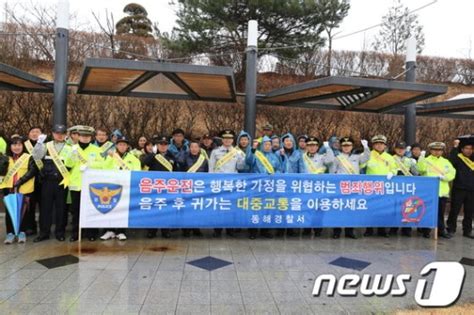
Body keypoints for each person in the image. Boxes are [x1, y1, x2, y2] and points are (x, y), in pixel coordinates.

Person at [32, 124, 72, 242]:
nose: (59, 135)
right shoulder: (46, 145)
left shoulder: (70, 147)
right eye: (57, 133)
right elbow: (36, 156)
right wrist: (39, 143)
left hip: (62, 182)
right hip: (47, 182)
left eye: (62, 133)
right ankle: (44, 233)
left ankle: (60, 232)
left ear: (65, 134)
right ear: (53, 133)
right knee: (45, 208)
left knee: (61, 208)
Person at [65, 126, 105, 242]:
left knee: (91, 209)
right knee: (76, 210)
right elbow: (68, 165)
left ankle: (91, 233)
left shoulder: (97, 150)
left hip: (91, 185)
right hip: (76, 184)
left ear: (90, 137)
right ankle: (76, 233)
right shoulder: (73, 149)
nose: (85, 138)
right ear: (78, 136)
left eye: (87, 136)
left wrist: (90, 166)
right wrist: (72, 156)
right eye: (83, 136)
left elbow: (102, 166)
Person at [100, 136, 141, 241]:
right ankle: (109, 230)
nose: (122, 146)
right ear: (116, 146)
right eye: (120, 144)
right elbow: (104, 170)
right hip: (112, 187)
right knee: (110, 208)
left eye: (124, 144)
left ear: (127, 146)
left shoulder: (133, 159)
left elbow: (137, 172)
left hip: (126, 188)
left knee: (123, 209)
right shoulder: (110, 157)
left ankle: (121, 231)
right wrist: (110, 159)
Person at [1, 135, 38, 244]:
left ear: (23, 146)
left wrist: (20, 181)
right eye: (14, 144)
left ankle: (21, 232)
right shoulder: (6, 158)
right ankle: (10, 233)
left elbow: (32, 171)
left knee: (23, 212)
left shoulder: (28, 157)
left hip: (24, 188)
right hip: (9, 188)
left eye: (19, 145)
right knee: (9, 212)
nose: (16, 147)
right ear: (10, 146)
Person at [209, 130, 246, 237]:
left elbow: (240, 168)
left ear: (232, 140)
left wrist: (241, 160)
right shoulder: (215, 152)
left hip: (232, 184)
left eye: (229, 139)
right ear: (222, 140)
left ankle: (230, 229)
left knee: (231, 207)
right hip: (219, 184)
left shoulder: (238, 152)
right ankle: (217, 230)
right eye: (225, 138)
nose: (227, 140)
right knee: (219, 207)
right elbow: (211, 169)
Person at [332, 137, 370, 239]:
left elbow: (366, 158)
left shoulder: (357, 157)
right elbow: (333, 172)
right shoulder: (337, 158)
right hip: (341, 187)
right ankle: (337, 231)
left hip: (353, 187)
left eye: (348, 145)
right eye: (344, 146)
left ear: (352, 146)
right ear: (341, 147)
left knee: (351, 209)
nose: (346, 147)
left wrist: (366, 147)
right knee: (338, 209)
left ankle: (349, 231)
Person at [417, 142, 456, 239]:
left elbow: (452, 173)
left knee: (440, 213)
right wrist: (421, 158)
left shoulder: (446, 162)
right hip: (428, 192)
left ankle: (441, 230)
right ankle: (426, 230)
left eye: (439, 150)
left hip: (441, 192)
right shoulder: (426, 160)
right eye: (435, 150)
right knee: (427, 211)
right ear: (431, 150)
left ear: (442, 151)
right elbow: (420, 170)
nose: (437, 152)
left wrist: (444, 177)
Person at [142, 135, 178, 239]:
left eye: (165, 144)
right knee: (153, 210)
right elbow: (143, 163)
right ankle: (151, 231)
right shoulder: (152, 156)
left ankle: (165, 230)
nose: (163, 146)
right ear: (157, 145)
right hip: (154, 187)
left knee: (165, 210)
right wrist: (152, 154)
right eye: (160, 144)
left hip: (167, 188)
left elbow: (175, 172)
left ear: (168, 146)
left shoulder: (171, 156)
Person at [246, 136, 281, 239]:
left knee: (267, 207)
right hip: (257, 185)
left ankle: (265, 230)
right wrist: (253, 149)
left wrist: (275, 175)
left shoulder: (274, 156)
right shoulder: (255, 155)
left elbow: (279, 168)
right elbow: (248, 162)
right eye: (265, 144)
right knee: (255, 208)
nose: (267, 146)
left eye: (269, 144)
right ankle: (253, 231)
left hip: (269, 186)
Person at [300, 137, 335, 237]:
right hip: (305, 186)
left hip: (319, 187)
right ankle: (306, 229)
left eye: (314, 145)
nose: (312, 148)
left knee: (319, 209)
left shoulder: (321, 157)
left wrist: (328, 148)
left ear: (317, 147)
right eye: (309, 145)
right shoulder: (302, 157)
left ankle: (318, 229)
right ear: (306, 147)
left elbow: (331, 160)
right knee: (307, 208)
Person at [364, 135, 398, 238]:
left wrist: (392, 173)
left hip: (384, 186)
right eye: (377, 144)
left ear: (385, 145)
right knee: (370, 208)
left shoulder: (389, 157)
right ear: (373, 145)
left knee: (383, 208)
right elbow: (360, 166)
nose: (379, 146)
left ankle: (382, 229)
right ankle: (369, 229)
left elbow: (395, 169)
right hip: (370, 186)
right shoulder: (368, 155)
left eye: (381, 144)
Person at [178, 139, 208, 237]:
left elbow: (207, 173)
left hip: (199, 187)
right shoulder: (185, 157)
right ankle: (186, 229)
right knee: (186, 208)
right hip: (187, 187)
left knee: (197, 208)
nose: (194, 149)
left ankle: (196, 228)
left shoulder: (203, 159)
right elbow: (180, 164)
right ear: (189, 148)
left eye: (196, 147)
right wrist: (183, 152)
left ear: (199, 148)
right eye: (192, 147)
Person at [390, 141, 420, 237]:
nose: (400, 150)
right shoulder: (391, 159)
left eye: (402, 149)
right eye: (398, 148)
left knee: (408, 208)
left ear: (405, 150)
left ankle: (406, 229)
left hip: (407, 187)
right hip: (394, 186)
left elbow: (416, 173)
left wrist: (415, 164)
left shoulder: (409, 160)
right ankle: (393, 228)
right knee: (395, 208)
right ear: (395, 149)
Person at [447, 137, 474, 239]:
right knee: (454, 210)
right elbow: (451, 162)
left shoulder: (472, 159)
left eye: (471, 149)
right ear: (462, 149)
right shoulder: (458, 158)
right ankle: (451, 229)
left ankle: (467, 230)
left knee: (469, 211)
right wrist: (455, 147)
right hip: (459, 188)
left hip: (471, 190)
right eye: (466, 148)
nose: (469, 150)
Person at [278, 133, 302, 237]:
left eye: (290, 141)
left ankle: (291, 228)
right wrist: (282, 157)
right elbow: (277, 167)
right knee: (281, 206)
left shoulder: (298, 154)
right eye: (286, 141)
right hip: (281, 185)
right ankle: (280, 228)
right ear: (282, 143)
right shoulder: (278, 153)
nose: (288, 143)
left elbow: (302, 168)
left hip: (294, 185)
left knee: (292, 206)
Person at [23, 126, 43, 236]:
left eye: (37, 132)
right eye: (32, 132)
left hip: (42, 180)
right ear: (29, 134)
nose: (35, 134)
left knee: (43, 206)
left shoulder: (46, 145)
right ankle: (30, 227)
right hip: (28, 179)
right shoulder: (24, 145)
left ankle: (43, 228)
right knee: (29, 205)